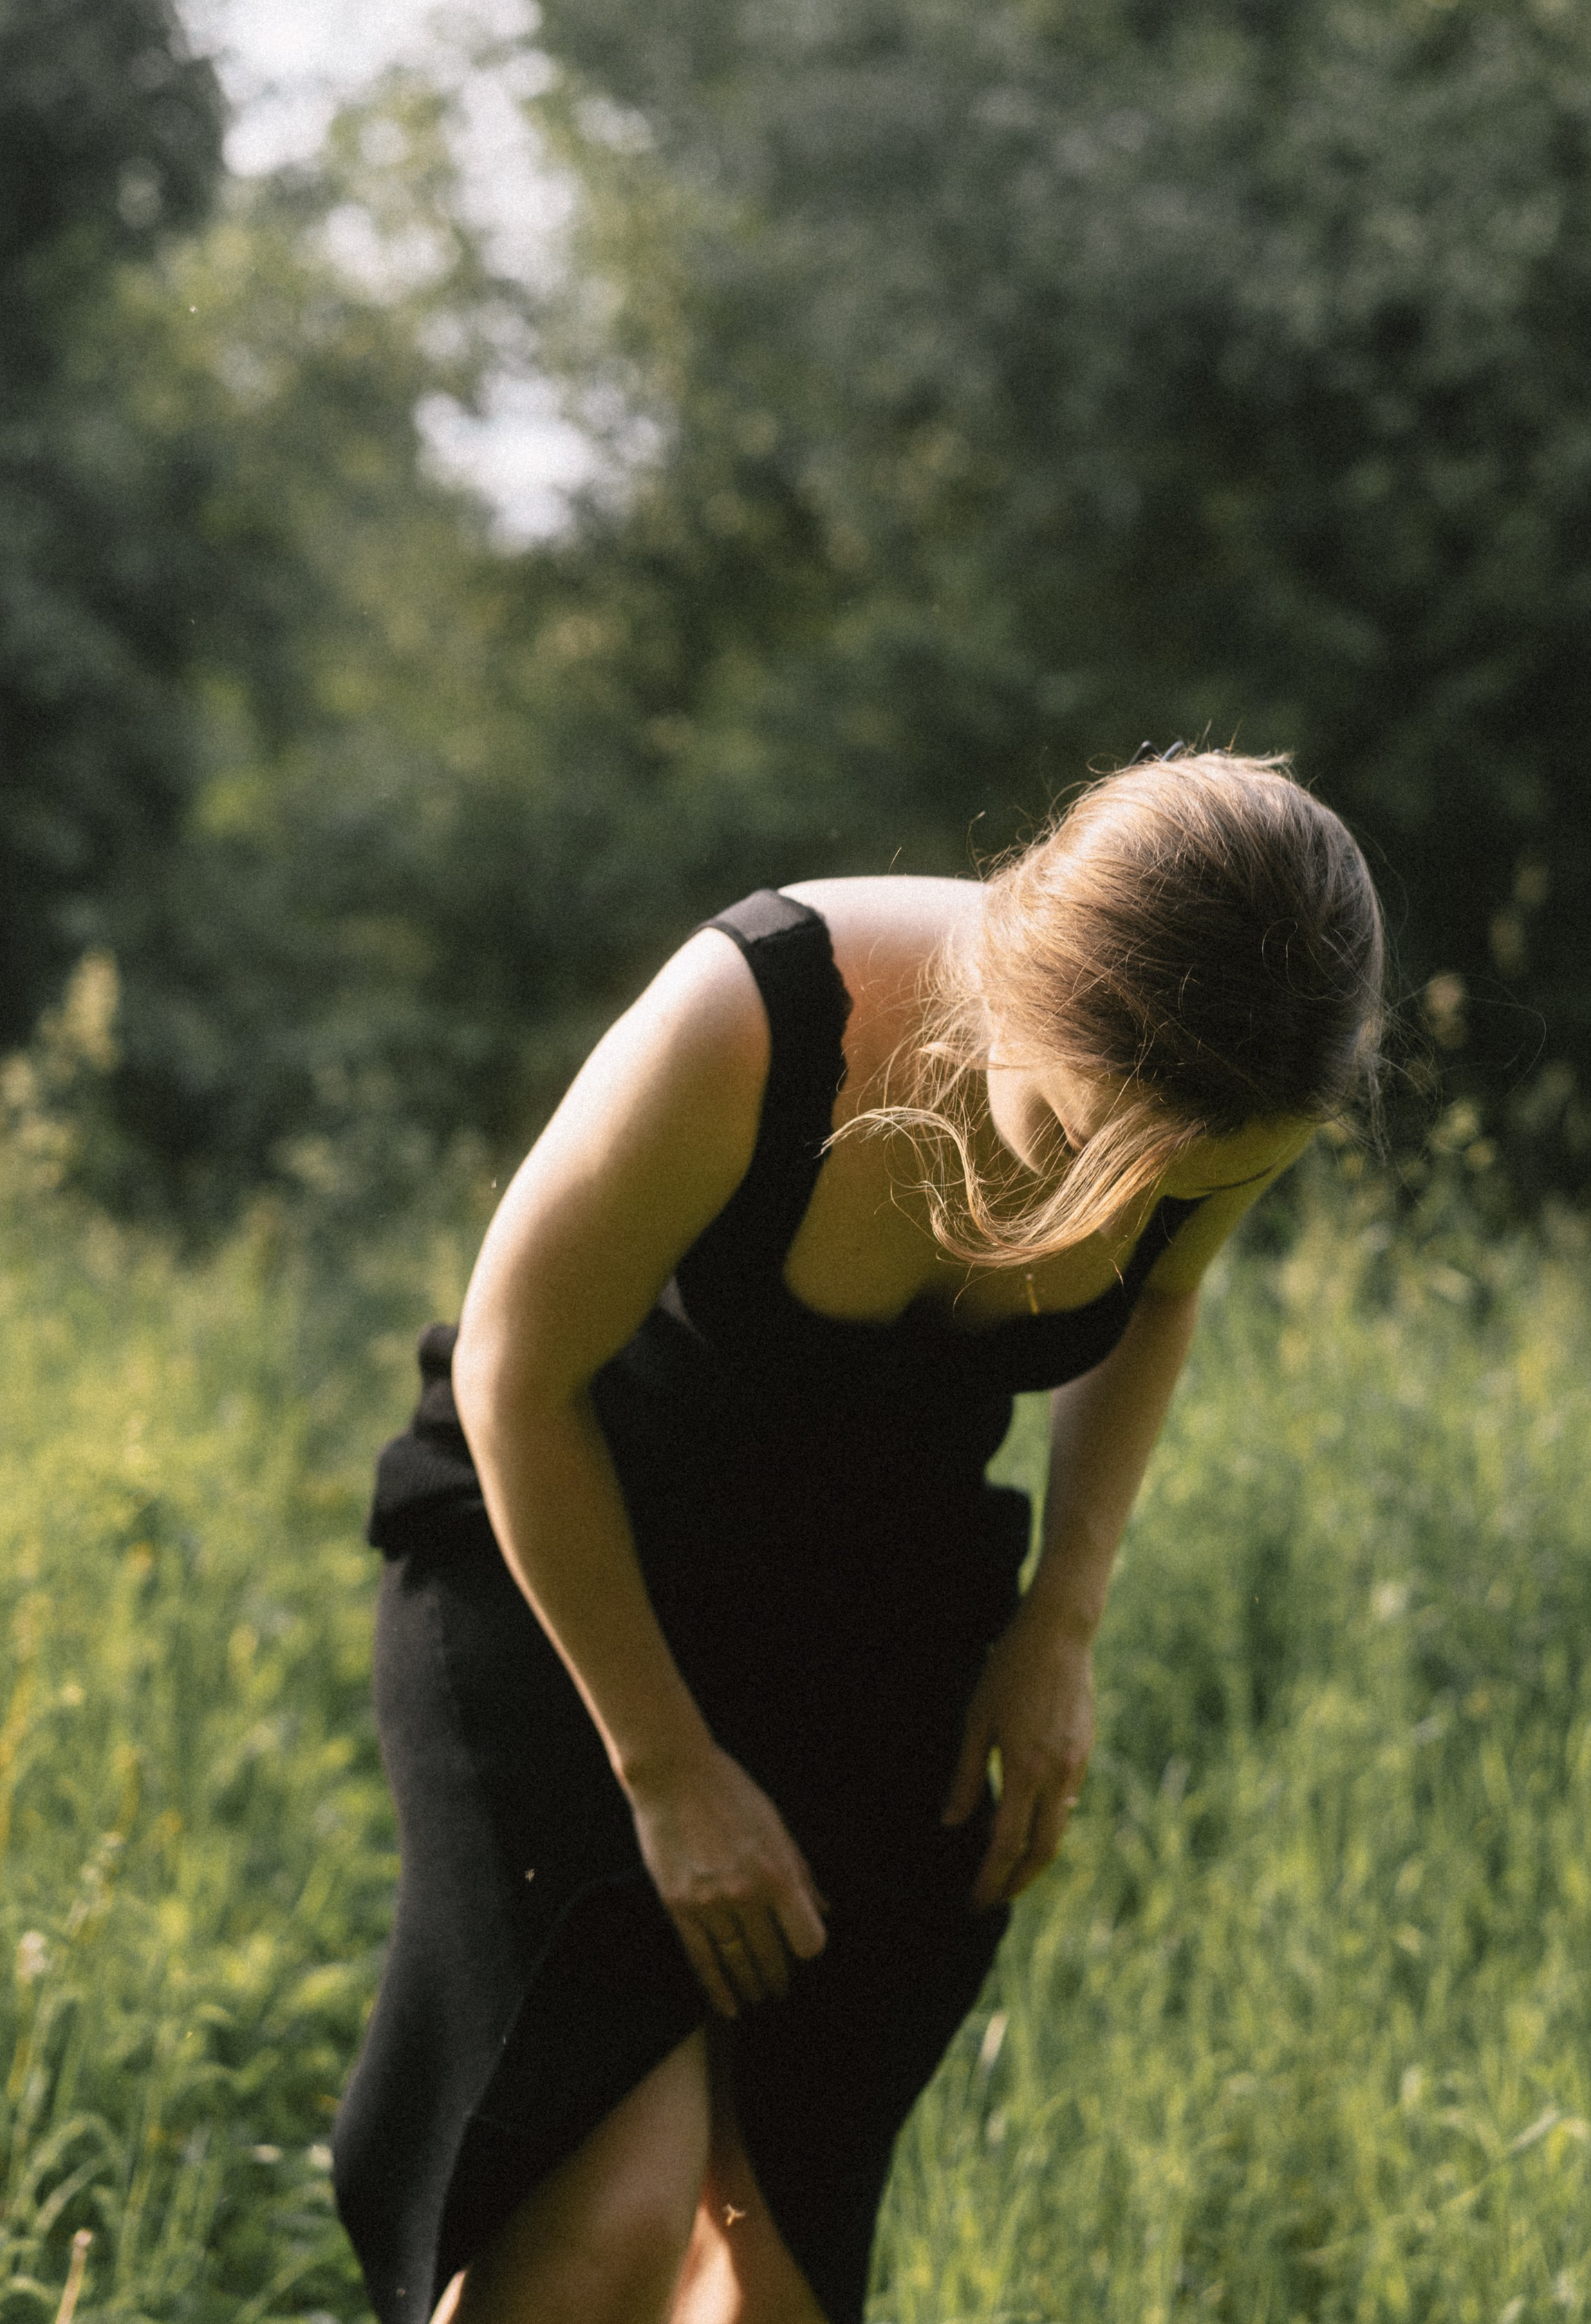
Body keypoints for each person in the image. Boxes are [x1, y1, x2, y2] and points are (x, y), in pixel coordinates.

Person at [331, 747, 1385, 2324]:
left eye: (1178, 1184)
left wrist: (1059, 1623)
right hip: (570, 1570)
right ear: (1019, 992)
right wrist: (666, 1767)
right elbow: (512, 1372)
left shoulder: (1227, 1082)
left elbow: (1157, 1301)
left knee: (778, 2259)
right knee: (600, 2220)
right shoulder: (761, 1013)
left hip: (881, 1617)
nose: (1099, 1222)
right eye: (1064, 1151)